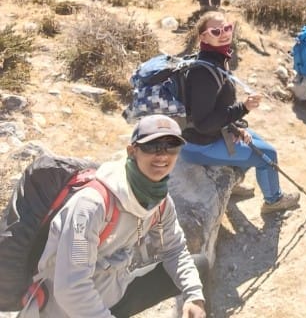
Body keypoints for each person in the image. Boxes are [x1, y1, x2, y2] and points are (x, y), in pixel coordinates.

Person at [21, 114, 207, 318]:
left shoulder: (159, 202)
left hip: (113, 293)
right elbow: (71, 288)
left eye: (171, 146)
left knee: (199, 265)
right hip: (66, 311)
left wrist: (194, 297)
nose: (162, 155)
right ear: (132, 151)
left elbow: (175, 250)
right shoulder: (92, 205)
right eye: (152, 146)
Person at [179, 11, 300, 215]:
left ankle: (231, 184)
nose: (224, 33)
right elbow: (203, 123)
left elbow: (215, 110)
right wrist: (242, 109)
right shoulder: (204, 74)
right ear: (203, 37)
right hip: (199, 145)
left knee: (255, 140)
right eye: (216, 31)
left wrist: (234, 127)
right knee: (267, 155)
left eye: (227, 28)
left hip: (210, 135)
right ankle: (274, 200)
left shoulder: (216, 60)